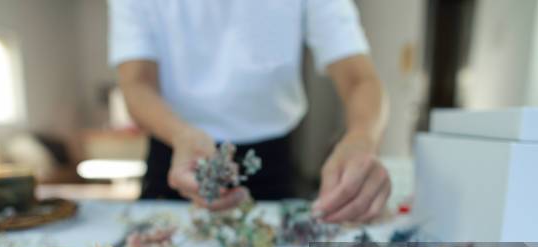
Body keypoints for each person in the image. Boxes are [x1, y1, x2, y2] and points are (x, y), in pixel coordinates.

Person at [109, 0, 390, 224]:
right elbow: (136, 83)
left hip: (271, 163)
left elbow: (360, 78)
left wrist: (362, 139)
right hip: (176, 155)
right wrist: (181, 135)